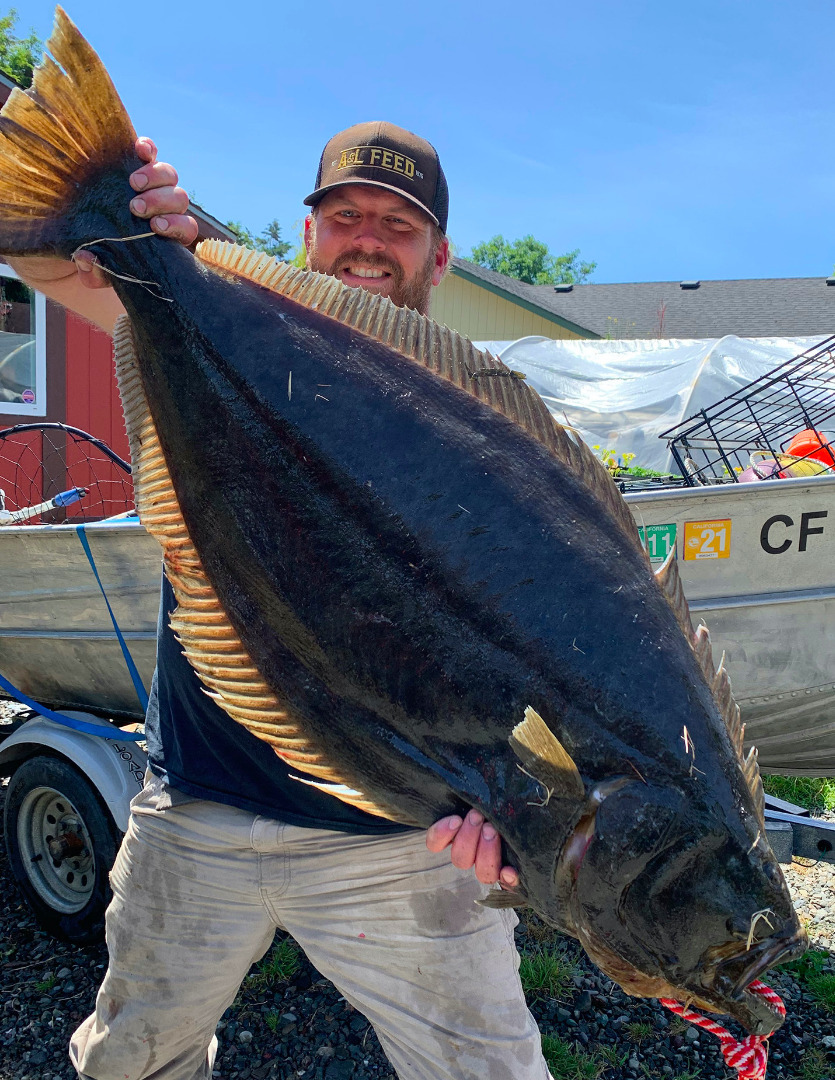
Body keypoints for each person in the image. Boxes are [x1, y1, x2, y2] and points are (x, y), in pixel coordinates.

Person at [10, 122, 553, 1080]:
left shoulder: (465, 416)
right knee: (130, 1062)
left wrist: (519, 816)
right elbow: (58, 269)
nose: (368, 240)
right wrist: (126, 216)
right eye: (345, 216)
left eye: (398, 223)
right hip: (198, 809)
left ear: (440, 256)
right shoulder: (219, 316)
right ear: (307, 238)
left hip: (403, 847)